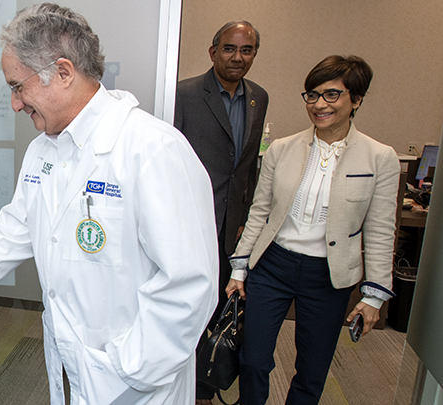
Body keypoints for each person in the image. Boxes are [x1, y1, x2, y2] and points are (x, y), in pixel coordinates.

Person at [0, 3, 219, 404]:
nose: (15, 104)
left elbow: (190, 285)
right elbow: (13, 232)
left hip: (137, 379)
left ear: (64, 72)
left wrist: (126, 368)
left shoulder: (153, 149)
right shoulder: (42, 152)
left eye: (18, 86)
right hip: (69, 363)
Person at [226, 55, 398, 404]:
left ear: (357, 99)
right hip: (272, 266)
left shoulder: (380, 158)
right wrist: (239, 268)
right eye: (312, 95)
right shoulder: (282, 149)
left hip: (329, 274)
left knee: (312, 369)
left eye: (332, 95)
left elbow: (381, 229)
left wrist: (374, 295)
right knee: (253, 359)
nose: (320, 104)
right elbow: (260, 212)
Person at [173, 20, 268, 404]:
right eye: (230, 49)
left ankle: (204, 388)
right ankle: (176, 383)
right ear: (213, 52)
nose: (238, 57)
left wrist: (246, 216)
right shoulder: (185, 94)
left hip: (232, 227)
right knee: (185, 304)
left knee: (218, 307)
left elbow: (246, 166)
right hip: (189, 221)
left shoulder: (259, 97)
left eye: (246, 50)